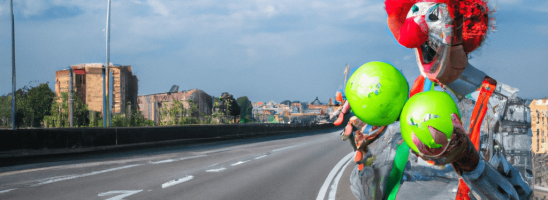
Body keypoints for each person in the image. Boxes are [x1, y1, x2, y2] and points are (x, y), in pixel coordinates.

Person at [333, 0, 532, 199]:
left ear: (461, 25)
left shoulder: (508, 106)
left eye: (433, 15)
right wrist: (370, 131)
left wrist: (471, 164)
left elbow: (523, 195)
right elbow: (385, 182)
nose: (413, 33)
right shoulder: (417, 92)